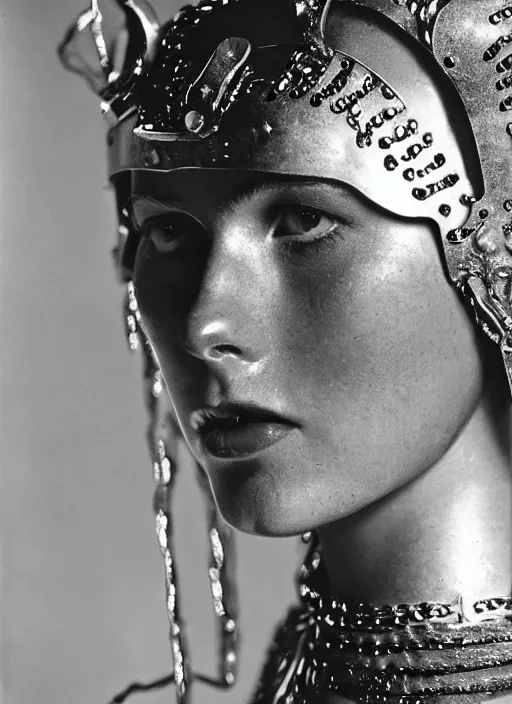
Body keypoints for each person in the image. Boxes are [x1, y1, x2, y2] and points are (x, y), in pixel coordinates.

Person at [59, 0, 512, 701]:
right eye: (170, 231)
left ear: (491, 250)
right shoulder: (305, 659)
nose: (204, 324)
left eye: (304, 219)